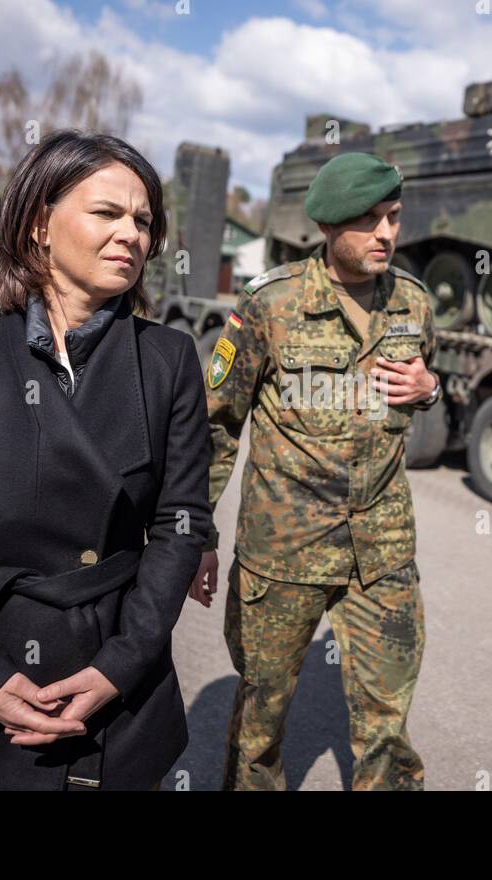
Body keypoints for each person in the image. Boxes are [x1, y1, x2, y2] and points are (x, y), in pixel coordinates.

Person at [0, 129, 210, 790]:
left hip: (108, 668)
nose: (132, 235)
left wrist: (121, 664)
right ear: (39, 225)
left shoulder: (170, 360)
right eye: (107, 213)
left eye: (144, 221)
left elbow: (181, 526)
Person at [190, 152, 442, 790]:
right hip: (283, 553)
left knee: (388, 731)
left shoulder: (413, 303)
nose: (387, 233)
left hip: (382, 553)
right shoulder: (271, 304)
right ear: (330, 226)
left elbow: (423, 393)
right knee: (260, 726)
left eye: (394, 217)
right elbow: (217, 426)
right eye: (370, 220)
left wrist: (431, 387)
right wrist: (195, 535)